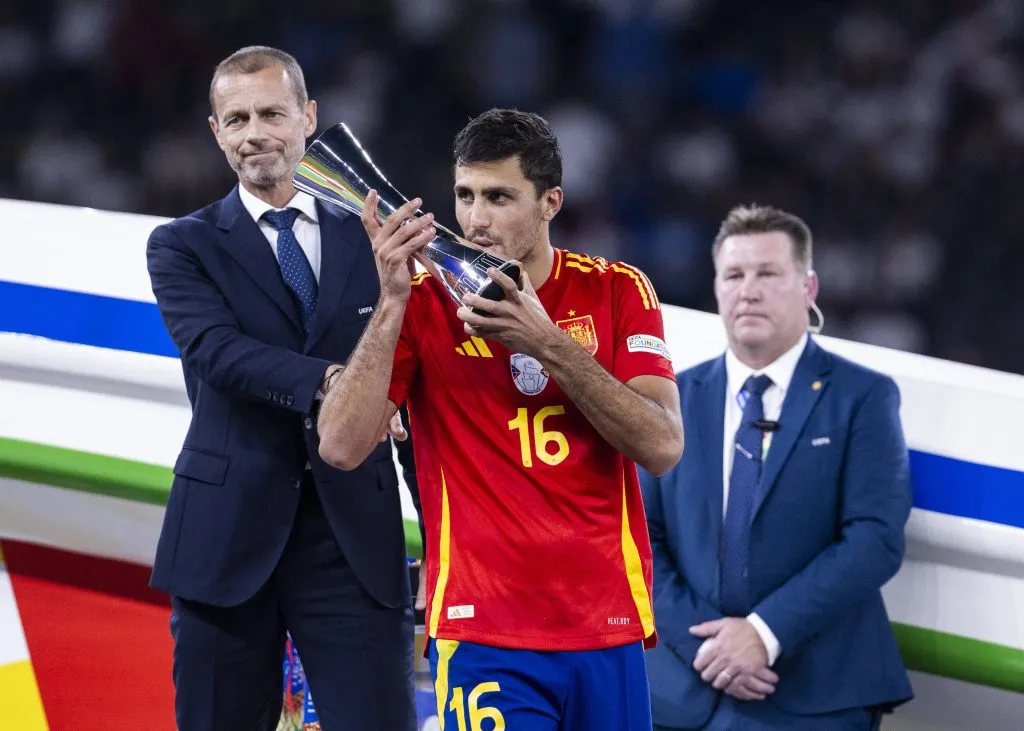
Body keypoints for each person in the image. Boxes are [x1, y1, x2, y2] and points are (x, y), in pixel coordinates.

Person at [317, 108, 684, 730]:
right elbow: (340, 446)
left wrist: (548, 344)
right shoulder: (424, 304)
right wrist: (391, 301)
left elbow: (662, 444)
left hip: (606, 621)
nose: (476, 219)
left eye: (499, 197)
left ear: (550, 203)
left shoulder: (618, 290)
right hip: (483, 625)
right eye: (465, 195)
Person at [146, 46, 417, 731]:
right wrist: (332, 382)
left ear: (309, 117)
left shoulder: (372, 237)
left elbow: (414, 373)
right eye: (235, 119)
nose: (254, 132)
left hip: (352, 539)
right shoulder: (182, 246)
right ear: (216, 131)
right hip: (224, 539)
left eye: (271, 112)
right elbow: (217, 352)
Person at [641, 204, 914, 730]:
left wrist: (764, 633)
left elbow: (875, 538)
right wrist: (710, 645)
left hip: (813, 689)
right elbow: (637, 534)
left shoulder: (863, 397)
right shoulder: (671, 396)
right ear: (717, 288)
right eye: (734, 275)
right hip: (679, 681)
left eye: (768, 273)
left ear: (808, 288)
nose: (749, 289)